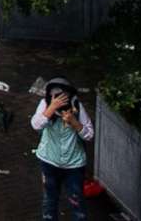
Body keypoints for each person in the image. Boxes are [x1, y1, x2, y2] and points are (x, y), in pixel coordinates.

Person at [30, 80, 94, 221]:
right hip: (49, 162)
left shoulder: (77, 106)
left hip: (74, 165)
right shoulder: (45, 104)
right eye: (56, 97)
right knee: (49, 202)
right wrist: (51, 109)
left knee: (77, 204)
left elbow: (89, 135)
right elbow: (36, 124)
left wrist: (74, 122)